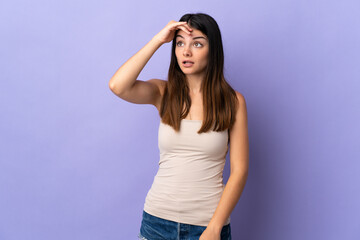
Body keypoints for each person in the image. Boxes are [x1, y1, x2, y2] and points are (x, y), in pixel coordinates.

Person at [109, 13, 249, 240]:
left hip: (207, 226)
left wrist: (214, 227)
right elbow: (118, 86)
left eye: (197, 44)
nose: (186, 51)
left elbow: (240, 171)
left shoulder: (233, 102)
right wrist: (158, 40)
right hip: (156, 223)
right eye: (180, 43)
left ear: (213, 50)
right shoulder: (164, 93)